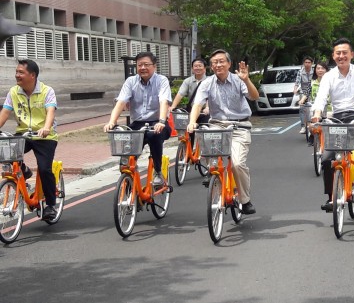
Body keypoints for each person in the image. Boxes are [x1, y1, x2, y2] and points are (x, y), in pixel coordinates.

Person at [186, 49, 259, 215]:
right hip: (217, 126)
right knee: (211, 160)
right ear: (211, 67)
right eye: (214, 62)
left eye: (221, 61)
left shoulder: (238, 79)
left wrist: (246, 80)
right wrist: (192, 122)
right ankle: (215, 181)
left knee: (237, 164)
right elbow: (197, 104)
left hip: (240, 126)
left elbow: (254, 97)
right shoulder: (207, 83)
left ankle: (245, 200)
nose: (218, 65)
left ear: (229, 63)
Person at [312, 38, 354, 211]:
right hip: (337, 119)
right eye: (338, 53)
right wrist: (317, 115)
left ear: (351, 55)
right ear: (333, 56)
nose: (342, 56)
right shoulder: (328, 76)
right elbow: (321, 98)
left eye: (345, 53)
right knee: (326, 159)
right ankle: (331, 197)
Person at [0, 59, 58, 220]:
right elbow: (5, 113)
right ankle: (24, 171)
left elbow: (50, 112)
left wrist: (46, 128)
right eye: (16, 72)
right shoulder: (13, 92)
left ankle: (50, 205)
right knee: (5, 151)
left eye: (21, 72)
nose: (16, 75)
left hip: (45, 136)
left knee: (45, 168)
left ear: (32, 75)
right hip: (23, 134)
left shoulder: (47, 91)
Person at [104, 52, 172, 186]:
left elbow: (163, 101)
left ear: (154, 66)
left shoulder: (162, 80)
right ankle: (129, 182)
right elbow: (121, 102)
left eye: (146, 64)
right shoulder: (131, 81)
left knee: (154, 135)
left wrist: (162, 121)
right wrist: (112, 122)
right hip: (137, 124)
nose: (142, 68)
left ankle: (158, 172)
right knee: (126, 150)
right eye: (139, 65)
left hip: (157, 123)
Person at [170, 58, 210, 143]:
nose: (197, 68)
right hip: (192, 111)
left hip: (204, 111)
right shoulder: (188, 81)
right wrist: (173, 107)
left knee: (205, 133)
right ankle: (188, 153)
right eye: (195, 66)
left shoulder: (209, 81)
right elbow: (180, 94)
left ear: (205, 68)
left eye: (200, 66)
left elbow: (210, 96)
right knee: (188, 133)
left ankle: (204, 152)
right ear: (192, 69)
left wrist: (207, 107)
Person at [300, 61, 329, 145]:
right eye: (318, 68)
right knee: (311, 120)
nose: (320, 70)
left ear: (326, 70)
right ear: (315, 70)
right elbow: (307, 92)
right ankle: (312, 135)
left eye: (322, 68)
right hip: (315, 106)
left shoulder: (331, 81)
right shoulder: (312, 82)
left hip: (330, 107)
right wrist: (302, 100)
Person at [294, 56, 314, 134]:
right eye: (306, 62)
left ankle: (312, 124)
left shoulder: (314, 71)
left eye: (309, 62)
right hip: (303, 91)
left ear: (311, 63)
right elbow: (297, 82)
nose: (307, 64)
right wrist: (295, 89)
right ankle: (303, 126)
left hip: (312, 91)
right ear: (303, 63)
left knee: (311, 108)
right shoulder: (300, 71)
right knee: (302, 108)